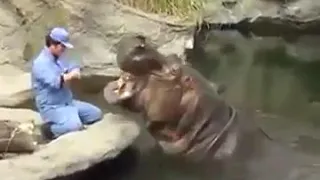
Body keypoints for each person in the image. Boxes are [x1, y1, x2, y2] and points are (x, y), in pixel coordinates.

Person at [31, 27, 102, 139]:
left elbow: (72, 64)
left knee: (95, 114)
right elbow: (55, 82)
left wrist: (75, 69)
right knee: (75, 126)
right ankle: (50, 130)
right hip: (52, 106)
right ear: (53, 44)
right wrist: (70, 75)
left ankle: (70, 120)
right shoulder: (40, 63)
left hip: (67, 102)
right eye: (62, 46)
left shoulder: (59, 57)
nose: (64, 49)